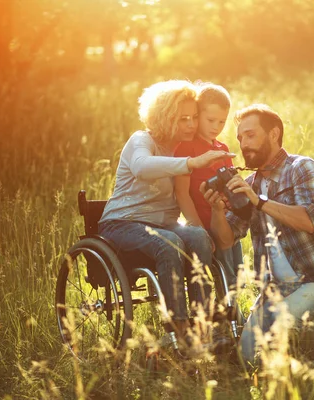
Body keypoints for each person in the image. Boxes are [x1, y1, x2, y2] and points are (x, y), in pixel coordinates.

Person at [201, 104, 314, 367]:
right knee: (246, 358)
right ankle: (305, 348)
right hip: (275, 292)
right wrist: (216, 210)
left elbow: (309, 221)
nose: (244, 144)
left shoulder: (303, 168)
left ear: (273, 134)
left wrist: (258, 201)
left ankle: (310, 353)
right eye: (240, 138)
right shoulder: (250, 185)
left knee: (278, 333)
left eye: (251, 135)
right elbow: (225, 240)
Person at [98, 80, 235, 339]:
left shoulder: (183, 148)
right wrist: (191, 162)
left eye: (194, 117)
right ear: (165, 117)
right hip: (123, 223)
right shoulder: (141, 141)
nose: (191, 125)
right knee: (169, 241)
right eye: (183, 119)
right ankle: (179, 328)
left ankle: (203, 323)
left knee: (197, 236)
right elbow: (141, 167)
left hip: (162, 224)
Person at [174, 83, 243, 288]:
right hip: (203, 225)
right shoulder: (186, 148)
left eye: (222, 121)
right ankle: (220, 314)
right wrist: (199, 232)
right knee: (218, 277)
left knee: (234, 277)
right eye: (211, 120)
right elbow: (182, 194)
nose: (216, 127)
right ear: (198, 115)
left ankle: (234, 313)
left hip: (225, 222)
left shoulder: (223, 148)